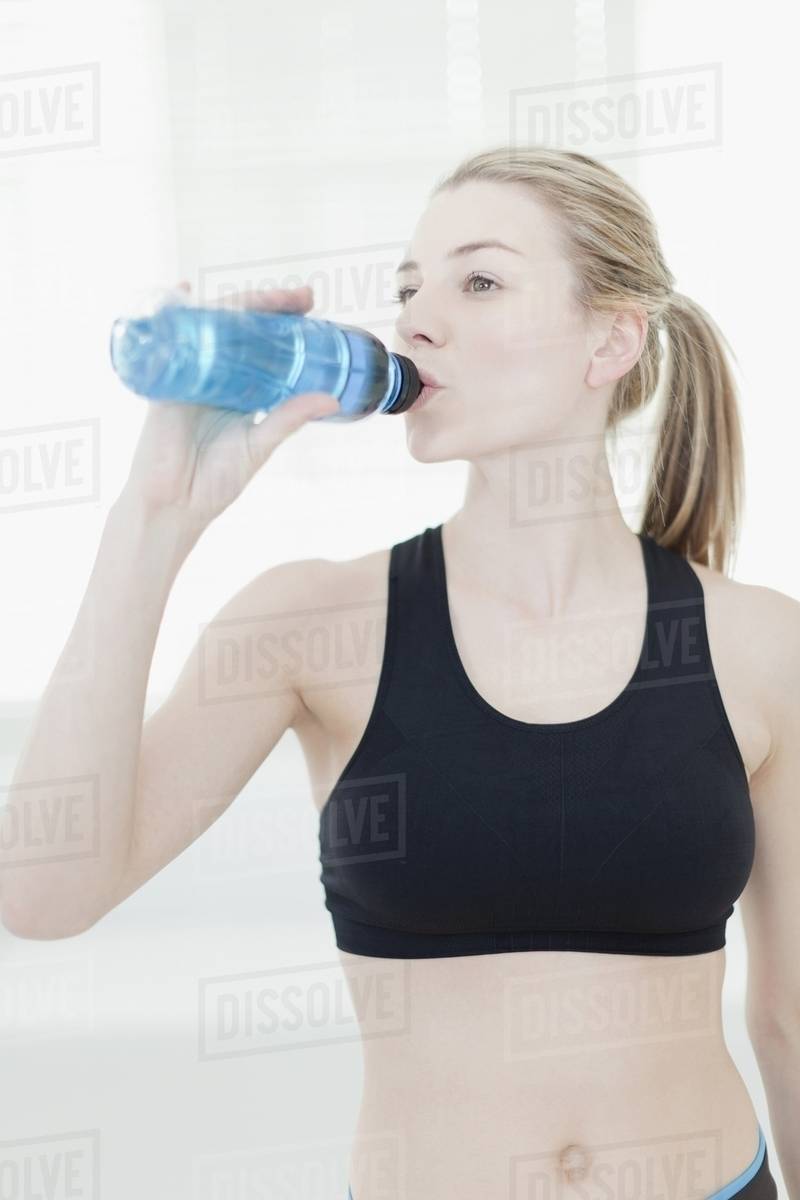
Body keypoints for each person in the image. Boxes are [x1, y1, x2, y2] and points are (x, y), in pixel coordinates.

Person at [3, 146, 797, 1200]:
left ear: (610, 338)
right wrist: (152, 519)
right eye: (408, 288)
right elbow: (45, 893)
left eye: (477, 280)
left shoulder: (758, 645)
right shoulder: (308, 624)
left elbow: (785, 1012)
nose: (416, 320)